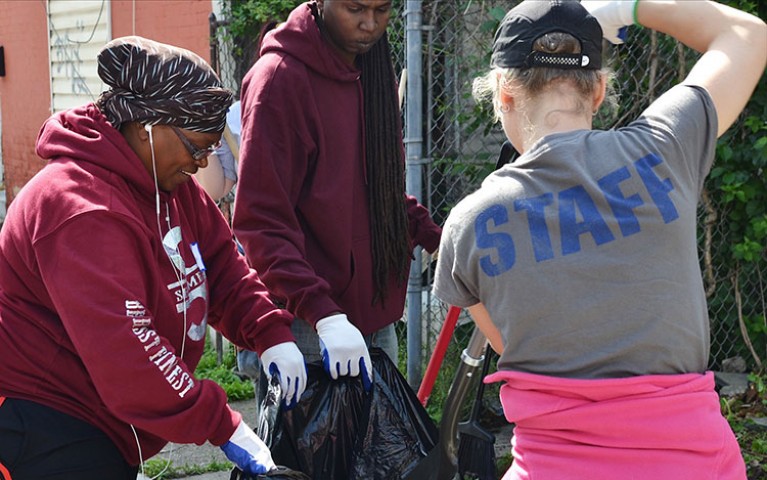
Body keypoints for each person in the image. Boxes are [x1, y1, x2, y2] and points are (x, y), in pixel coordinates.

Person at [432, 1, 766, 479]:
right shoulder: (665, 148)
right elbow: (746, 34)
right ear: (600, 90)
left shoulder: (470, 223)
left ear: (504, 91)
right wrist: (630, 6)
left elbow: (512, 344)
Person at [0, 36, 307, 479]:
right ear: (147, 125)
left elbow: (221, 263)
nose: (203, 163)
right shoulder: (80, 209)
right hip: (47, 418)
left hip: (107, 418)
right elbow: (128, 346)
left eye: (211, 148)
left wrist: (268, 331)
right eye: (195, 146)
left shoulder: (170, 185)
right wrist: (221, 424)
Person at [233, 0, 442, 399]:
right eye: (355, 8)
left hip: (373, 317)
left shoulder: (370, 67)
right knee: (310, 463)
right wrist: (324, 315)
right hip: (306, 322)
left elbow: (374, 189)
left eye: (383, 10)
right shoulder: (279, 79)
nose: (370, 24)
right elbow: (260, 221)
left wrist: (438, 238)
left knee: (381, 459)